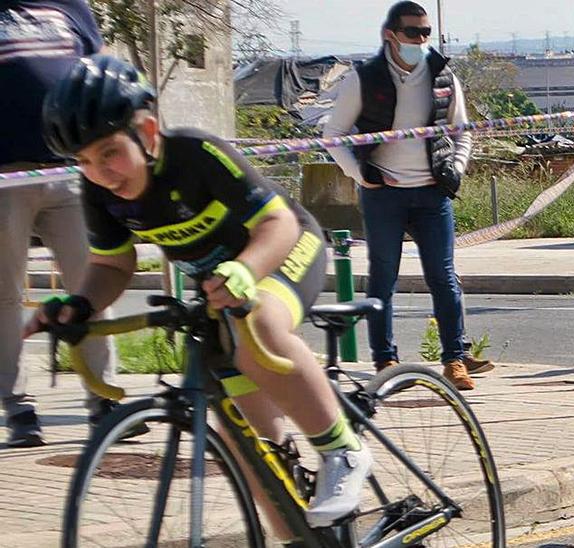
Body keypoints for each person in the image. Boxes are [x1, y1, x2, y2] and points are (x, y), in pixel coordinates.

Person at [31, 55, 372, 532]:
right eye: (83, 162)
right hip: (221, 290)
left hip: (283, 246)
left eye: (109, 152)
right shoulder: (101, 193)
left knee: (259, 325)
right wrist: (81, 304)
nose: (100, 172)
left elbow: (276, 223)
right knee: (255, 454)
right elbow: (113, 263)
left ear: (148, 133)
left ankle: (343, 450)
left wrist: (245, 269)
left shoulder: (195, 153)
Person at [323, 0, 489, 389]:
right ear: (391, 35)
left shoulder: (442, 73)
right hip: (385, 194)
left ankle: (454, 360)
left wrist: (457, 169)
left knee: (444, 277)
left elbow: (462, 129)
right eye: (413, 32)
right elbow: (332, 136)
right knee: (383, 278)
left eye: (426, 32)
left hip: (432, 193)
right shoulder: (364, 78)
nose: (421, 40)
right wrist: (360, 175)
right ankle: (386, 360)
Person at [0, 0, 124, 447]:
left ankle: (105, 401)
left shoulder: (72, 7)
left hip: (73, 170)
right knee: (5, 296)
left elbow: (100, 73)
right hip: (5, 174)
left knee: (92, 282)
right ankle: (18, 410)